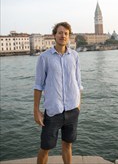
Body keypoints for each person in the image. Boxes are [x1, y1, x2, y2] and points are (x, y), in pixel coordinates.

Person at [34, 22, 83, 164]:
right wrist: (36, 111)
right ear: (54, 35)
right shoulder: (44, 57)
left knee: (67, 145)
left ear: (69, 36)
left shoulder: (75, 56)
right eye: (60, 32)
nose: (63, 35)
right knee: (45, 148)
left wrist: (78, 106)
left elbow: (78, 83)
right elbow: (38, 86)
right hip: (53, 111)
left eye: (66, 33)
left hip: (72, 110)